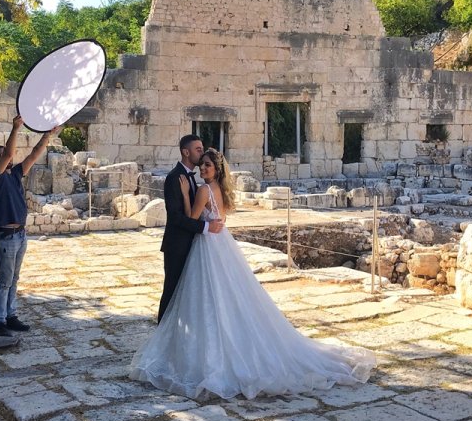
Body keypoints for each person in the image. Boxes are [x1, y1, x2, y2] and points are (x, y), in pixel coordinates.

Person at [131, 148, 375, 400]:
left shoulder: (203, 190)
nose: (202, 169)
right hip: (221, 243)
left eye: (207, 166)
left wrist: (184, 194)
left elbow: (192, 218)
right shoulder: (222, 191)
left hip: (206, 245)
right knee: (229, 294)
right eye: (201, 165)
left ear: (216, 169)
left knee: (207, 296)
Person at [0, 114, 59, 337]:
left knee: (13, 279)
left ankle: (11, 315)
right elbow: (9, 152)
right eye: (3, 156)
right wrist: (16, 128)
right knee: (5, 280)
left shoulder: (15, 174)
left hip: (20, 236)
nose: (9, 157)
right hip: (5, 237)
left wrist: (47, 136)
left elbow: (34, 155)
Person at [157, 134, 224, 322]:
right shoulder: (174, 178)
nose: (201, 153)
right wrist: (206, 227)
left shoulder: (196, 180)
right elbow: (176, 218)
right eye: (198, 149)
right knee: (171, 291)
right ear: (186, 152)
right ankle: (162, 332)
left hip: (195, 246)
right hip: (177, 245)